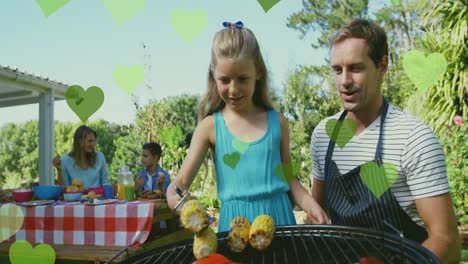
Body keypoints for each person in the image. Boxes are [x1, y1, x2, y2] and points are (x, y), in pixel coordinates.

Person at [310, 18, 460, 262]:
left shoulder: (412, 138)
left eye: (356, 68)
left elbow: (447, 241)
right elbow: (319, 216)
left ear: (382, 66)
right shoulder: (324, 135)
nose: (344, 81)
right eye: (337, 70)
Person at [167, 21, 330, 232]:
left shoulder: (277, 121)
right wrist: (173, 195)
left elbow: (288, 178)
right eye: (224, 80)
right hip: (235, 229)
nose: (233, 89)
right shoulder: (210, 127)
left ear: (258, 72)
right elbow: (180, 183)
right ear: (213, 74)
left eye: (242, 79)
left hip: (280, 224)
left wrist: (311, 206)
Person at [53, 125, 110, 189]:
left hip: (98, 198)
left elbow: (106, 182)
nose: (93, 144)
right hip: (75, 198)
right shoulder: (65, 160)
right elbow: (64, 189)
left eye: (94, 141)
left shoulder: (100, 157)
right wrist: (59, 170)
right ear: (79, 140)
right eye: (90, 141)